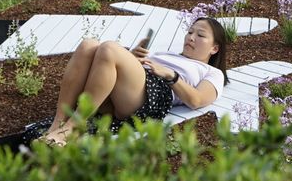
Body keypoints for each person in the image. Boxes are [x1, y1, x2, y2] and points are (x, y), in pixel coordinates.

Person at [35, 17, 229, 145]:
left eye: (200, 35)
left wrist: (170, 75)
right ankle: (57, 124)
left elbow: (196, 100)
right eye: (190, 32)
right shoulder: (167, 53)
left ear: (214, 48)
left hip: (154, 95)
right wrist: (131, 57)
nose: (191, 37)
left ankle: (72, 127)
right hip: (123, 91)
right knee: (89, 45)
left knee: (109, 48)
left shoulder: (212, 72)